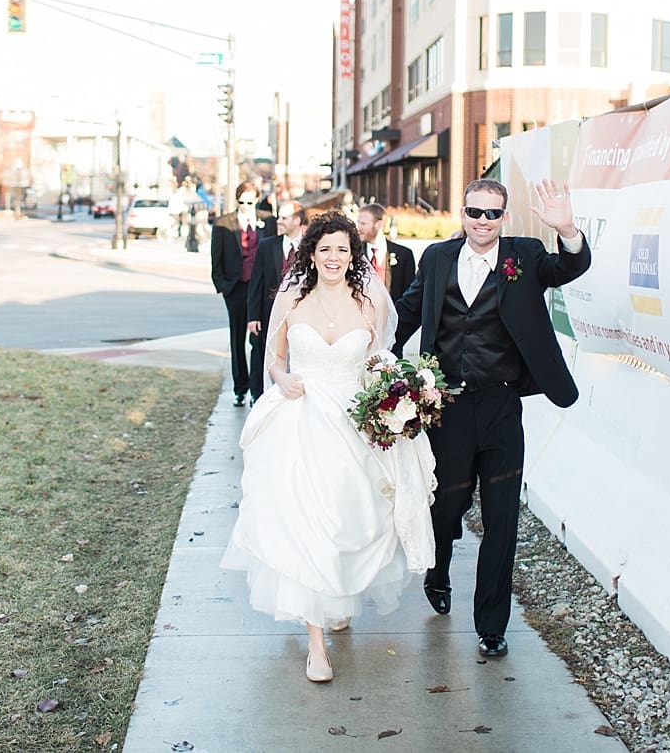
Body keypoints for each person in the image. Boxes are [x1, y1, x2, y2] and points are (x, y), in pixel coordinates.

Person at [221, 213, 437, 684]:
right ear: (311, 255)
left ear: (352, 254)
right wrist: (284, 379)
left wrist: (398, 397)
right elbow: (274, 360)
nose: (334, 258)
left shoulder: (368, 303)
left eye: (342, 249)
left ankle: (337, 599)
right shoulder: (293, 299)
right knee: (306, 524)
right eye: (325, 250)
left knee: (351, 520)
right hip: (300, 423)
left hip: (355, 425)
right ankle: (316, 645)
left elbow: (380, 361)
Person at [393, 178, 589, 660]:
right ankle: (437, 574)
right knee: (446, 509)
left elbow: (570, 265)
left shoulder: (523, 255)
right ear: (462, 213)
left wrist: (566, 228)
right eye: (474, 212)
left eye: (492, 214)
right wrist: (364, 339)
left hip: (502, 405)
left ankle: (491, 624)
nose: (482, 221)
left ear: (505, 216)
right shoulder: (437, 258)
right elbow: (407, 313)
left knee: (502, 519)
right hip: (448, 407)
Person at [210, 182, 275, 406]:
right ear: (236, 201)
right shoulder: (223, 223)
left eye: (250, 202)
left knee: (257, 338)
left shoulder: (268, 220)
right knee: (237, 338)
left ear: (257, 200)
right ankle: (240, 387)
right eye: (242, 202)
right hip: (236, 287)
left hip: (261, 288)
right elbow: (216, 257)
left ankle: (257, 390)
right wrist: (223, 286)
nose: (246, 206)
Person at [245, 199, 305, 404]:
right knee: (262, 351)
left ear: (297, 220)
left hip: (301, 312)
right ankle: (258, 395)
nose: (278, 221)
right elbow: (256, 283)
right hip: (268, 311)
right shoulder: (267, 245)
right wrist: (252, 316)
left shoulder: (310, 247)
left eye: (284, 218)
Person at [357, 202, 415, 303]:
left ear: (379, 224)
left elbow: (410, 294)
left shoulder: (404, 255)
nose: (359, 228)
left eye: (363, 224)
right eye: (358, 223)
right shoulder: (355, 253)